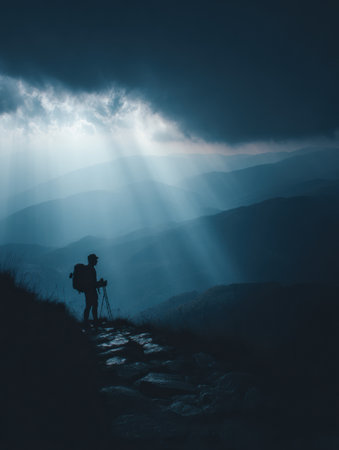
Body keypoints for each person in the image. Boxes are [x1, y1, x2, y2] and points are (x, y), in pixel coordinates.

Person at [83, 253, 100, 330]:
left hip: (88, 291)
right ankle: (94, 323)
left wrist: (98, 283)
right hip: (91, 291)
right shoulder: (91, 269)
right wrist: (100, 283)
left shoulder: (88, 269)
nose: (97, 261)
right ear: (92, 260)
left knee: (89, 306)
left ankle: (87, 322)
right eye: (95, 259)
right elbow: (93, 283)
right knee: (93, 306)